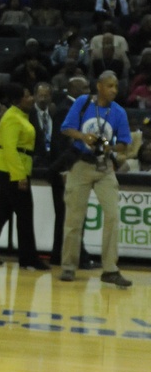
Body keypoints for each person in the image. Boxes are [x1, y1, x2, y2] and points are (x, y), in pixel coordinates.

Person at [58, 71, 133, 286]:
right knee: (74, 219)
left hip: (104, 167)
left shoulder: (118, 112)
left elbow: (124, 144)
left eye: (116, 87)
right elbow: (66, 129)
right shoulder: (83, 102)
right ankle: (68, 266)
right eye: (110, 86)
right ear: (99, 86)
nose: (114, 90)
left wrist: (110, 146)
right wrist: (83, 136)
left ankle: (110, 269)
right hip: (81, 165)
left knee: (112, 216)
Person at [0, 83, 46, 269]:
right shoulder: (12, 118)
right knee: (25, 213)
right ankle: (28, 258)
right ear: (17, 100)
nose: (31, 98)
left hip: (10, 168)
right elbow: (10, 149)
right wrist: (20, 176)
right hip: (9, 170)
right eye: (28, 95)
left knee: (2, 211)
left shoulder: (20, 115)